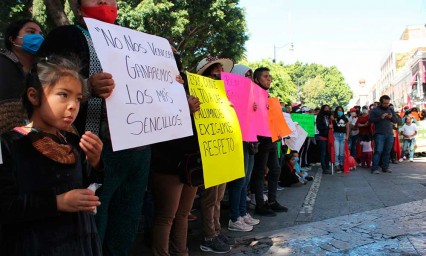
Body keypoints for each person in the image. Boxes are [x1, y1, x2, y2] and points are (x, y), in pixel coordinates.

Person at [37, 1, 153, 254]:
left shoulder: (137, 43)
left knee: (127, 222)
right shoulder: (67, 37)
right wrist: (86, 87)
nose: (104, 2)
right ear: (79, 9)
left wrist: (174, 91)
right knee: (92, 224)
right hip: (94, 151)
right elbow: (46, 85)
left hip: (137, 150)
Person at [0, 55, 104, 255]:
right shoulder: (9, 145)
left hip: (80, 242)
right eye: (64, 94)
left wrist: (96, 162)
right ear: (34, 96)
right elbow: (4, 206)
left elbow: (92, 189)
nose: (73, 106)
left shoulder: (75, 142)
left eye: (78, 98)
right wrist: (57, 202)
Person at [150, 47, 201, 256]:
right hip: (166, 161)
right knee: (166, 216)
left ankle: (181, 252)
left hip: (190, 160)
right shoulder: (148, 86)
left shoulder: (188, 84)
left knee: (183, 214)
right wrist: (182, 107)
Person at [196, 56, 236, 253]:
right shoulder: (198, 93)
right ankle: (208, 235)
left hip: (222, 150)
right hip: (210, 150)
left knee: (219, 195)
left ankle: (216, 230)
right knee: (211, 197)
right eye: (216, 70)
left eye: (221, 70)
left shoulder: (222, 95)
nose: (220, 73)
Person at [251, 67, 288, 217]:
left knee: (275, 169)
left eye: (270, 76)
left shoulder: (267, 96)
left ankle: (272, 201)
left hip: (271, 138)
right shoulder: (253, 94)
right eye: (265, 76)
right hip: (260, 139)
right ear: (257, 79)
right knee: (260, 172)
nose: (269, 79)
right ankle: (260, 204)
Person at [227, 64, 260, 232]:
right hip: (237, 140)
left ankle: (242, 212)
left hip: (249, 140)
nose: (248, 78)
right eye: (245, 75)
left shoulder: (250, 96)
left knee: (246, 179)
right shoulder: (229, 95)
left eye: (250, 75)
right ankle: (235, 217)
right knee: (239, 181)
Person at [0, 19, 43, 134]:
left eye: (40, 34)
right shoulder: (2, 63)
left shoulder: (42, 71)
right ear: (12, 39)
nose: (38, 37)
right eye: (31, 32)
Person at [369, 95, 398, 174]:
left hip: (389, 134)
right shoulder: (375, 110)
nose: (386, 105)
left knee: (387, 151)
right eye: (385, 103)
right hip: (379, 134)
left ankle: (385, 167)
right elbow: (370, 120)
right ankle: (374, 168)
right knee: (378, 151)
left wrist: (391, 117)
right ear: (381, 102)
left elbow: (396, 120)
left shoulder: (390, 110)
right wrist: (380, 117)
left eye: (388, 103)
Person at [331, 106, 350, 173]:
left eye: (341, 110)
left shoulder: (345, 118)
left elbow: (348, 128)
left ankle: (342, 164)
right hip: (336, 136)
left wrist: (347, 136)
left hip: (343, 136)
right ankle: (337, 165)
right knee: (336, 152)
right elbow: (332, 127)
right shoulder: (334, 118)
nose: (340, 111)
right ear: (336, 111)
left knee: (342, 152)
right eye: (338, 110)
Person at [315, 104, 331, 174]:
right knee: (323, 153)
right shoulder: (320, 116)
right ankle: (324, 168)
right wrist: (327, 127)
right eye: (326, 108)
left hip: (329, 137)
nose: (327, 110)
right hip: (322, 136)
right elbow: (319, 127)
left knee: (328, 153)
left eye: (328, 108)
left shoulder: (329, 116)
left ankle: (327, 166)